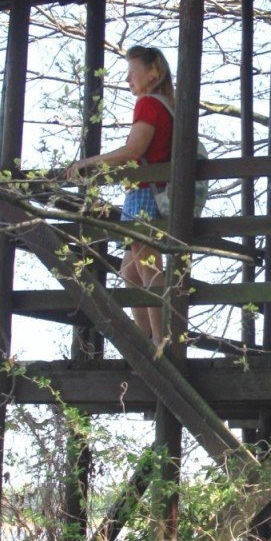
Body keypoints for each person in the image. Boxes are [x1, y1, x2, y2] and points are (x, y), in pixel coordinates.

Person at [65, 45, 174, 346]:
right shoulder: (167, 105)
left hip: (144, 192)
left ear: (153, 72)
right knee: (129, 269)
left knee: (147, 265)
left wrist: (89, 162)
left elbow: (134, 150)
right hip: (149, 190)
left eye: (132, 72)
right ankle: (146, 336)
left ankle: (160, 340)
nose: (128, 79)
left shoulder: (149, 105)